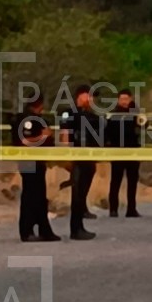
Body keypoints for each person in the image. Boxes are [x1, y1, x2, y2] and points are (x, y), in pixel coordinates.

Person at [12, 94, 60, 242]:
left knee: (39, 197)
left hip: (39, 162)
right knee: (30, 197)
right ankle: (27, 231)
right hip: (29, 162)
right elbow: (24, 141)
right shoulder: (26, 120)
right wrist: (43, 137)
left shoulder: (37, 119)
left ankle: (44, 230)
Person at [60, 85, 100, 240]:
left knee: (82, 193)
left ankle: (80, 225)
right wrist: (66, 157)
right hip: (77, 158)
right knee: (77, 194)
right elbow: (65, 135)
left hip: (89, 159)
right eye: (89, 96)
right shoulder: (69, 114)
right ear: (80, 96)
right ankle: (75, 229)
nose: (92, 100)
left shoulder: (91, 116)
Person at [107, 89, 143, 218]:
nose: (124, 102)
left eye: (126, 99)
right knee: (115, 181)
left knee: (132, 181)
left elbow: (144, 125)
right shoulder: (113, 115)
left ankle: (131, 209)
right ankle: (113, 209)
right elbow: (107, 132)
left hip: (132, 151)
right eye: (121, 99)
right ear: (118, 100)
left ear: (130, 99)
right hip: (117, 151)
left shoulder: (135, 113)